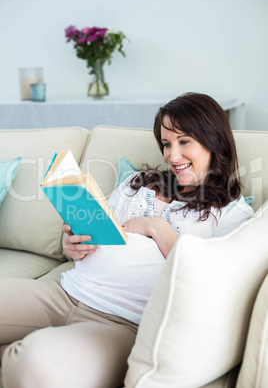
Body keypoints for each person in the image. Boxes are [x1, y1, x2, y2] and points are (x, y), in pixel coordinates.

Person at [0, 93, 254, 388]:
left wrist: (157, 227)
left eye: (184, 141)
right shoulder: (139, 182)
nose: (173, 156)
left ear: (214, 141)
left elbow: (209, 282)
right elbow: (97, 230)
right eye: (167, 144)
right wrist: (73, 245)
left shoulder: (232, 212)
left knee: (35, 365)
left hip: (122, 323)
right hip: (63, 292)